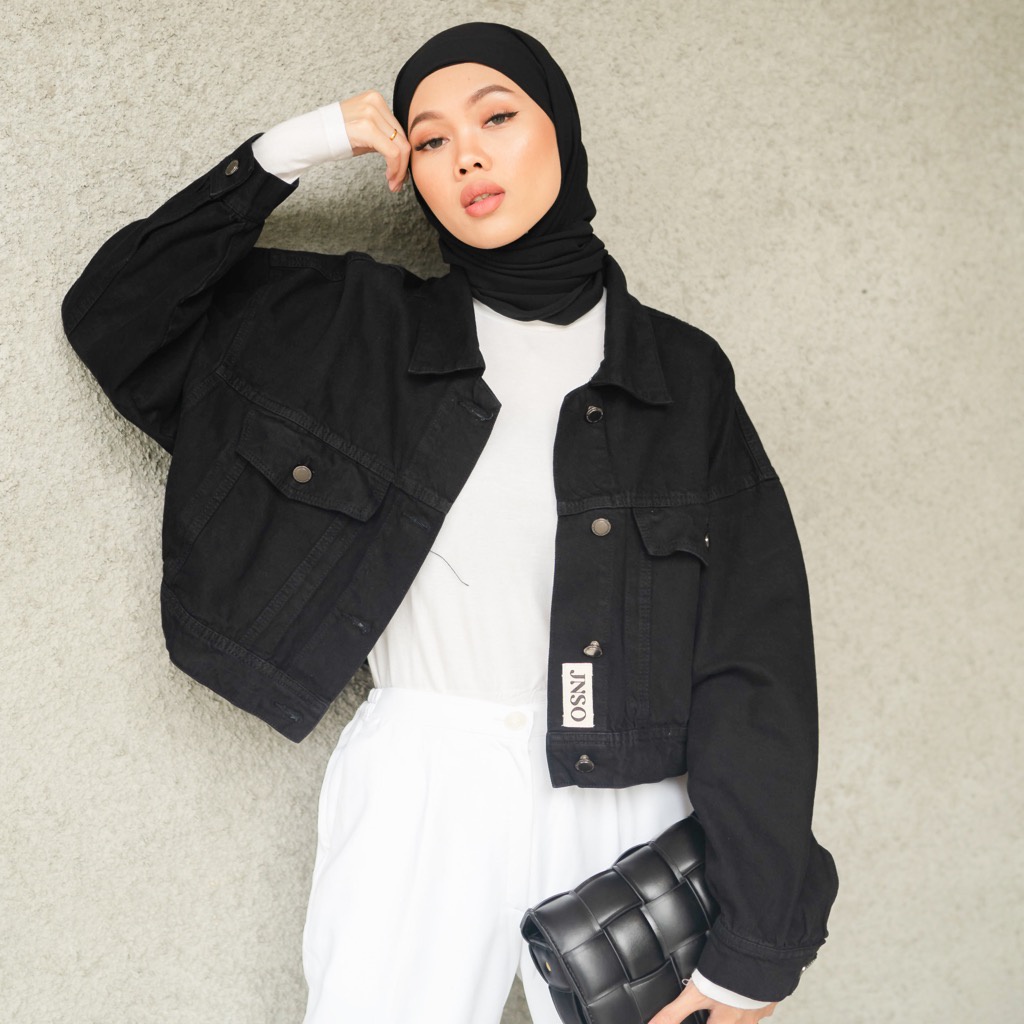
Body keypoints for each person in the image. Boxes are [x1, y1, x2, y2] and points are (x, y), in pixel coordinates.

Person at [62, 22, 837, 1024]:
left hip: (632, 797)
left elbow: (754, 655)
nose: (465, 154)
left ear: (560, 132)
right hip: (423, 782)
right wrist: (292, 148)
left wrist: (754, 949)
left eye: (496, 117)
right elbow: (117, 316)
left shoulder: (682, 377)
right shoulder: (350, 332)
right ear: (412, 173)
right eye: (429, 138)